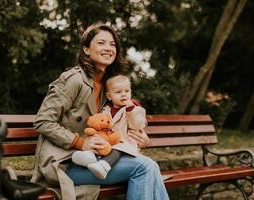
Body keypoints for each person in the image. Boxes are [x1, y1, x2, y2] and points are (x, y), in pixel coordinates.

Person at [31, 23, 169, 200]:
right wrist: (80, 143)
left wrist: (142, 138)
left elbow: (117, 124)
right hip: (65, 163)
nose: (108, 48)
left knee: (149, 166)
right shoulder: (74, 81)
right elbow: (43, 121)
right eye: (101, 43)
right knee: (144, 167)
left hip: (98, 159)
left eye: (112, 44)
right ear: (86, 49)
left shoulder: (109, 88)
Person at [72, 74, 147, 180]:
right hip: (108, 141)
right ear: (109, 96)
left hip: (125, 143)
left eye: (127, 91)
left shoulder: (133, 109)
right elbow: (100, 123)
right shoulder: (106, 109)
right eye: (118, 92)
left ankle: (103, 166)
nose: (124, 95)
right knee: (97, 142)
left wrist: (131, 109)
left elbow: (137, 124)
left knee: (117, 149)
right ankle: (87, 157)